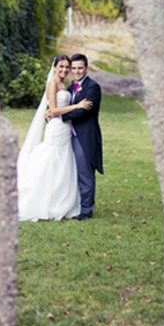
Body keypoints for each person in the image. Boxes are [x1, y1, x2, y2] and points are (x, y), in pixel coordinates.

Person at [17, 55, 93, 221]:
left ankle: (60, 201)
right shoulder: (52, 83)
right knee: (50, 161)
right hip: (57, 128)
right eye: (62, 67)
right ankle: (37, 199)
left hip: (67, 130)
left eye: (67, 67)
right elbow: (54, 110)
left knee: (64, 164)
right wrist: (77, 106)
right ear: (55, 67)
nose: (65, 70)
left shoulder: (65, 85)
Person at [48, 53, 103, 220]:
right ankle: (70, 204)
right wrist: (50, 112)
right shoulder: (70, 87)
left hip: (83, 136)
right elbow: (60, 104)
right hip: (66, 134)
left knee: (85, 173)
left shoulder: (93, 87)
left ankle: (86, 210)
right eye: (74, 68)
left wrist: (58, 115)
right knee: (69, 171)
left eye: (80, 68)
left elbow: (83, 110)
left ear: (86, 68)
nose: (77, 71)